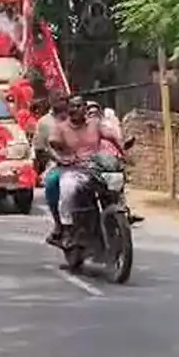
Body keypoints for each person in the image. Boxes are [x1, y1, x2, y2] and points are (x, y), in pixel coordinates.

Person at [46, 96, 121, 248]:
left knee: (115, 182)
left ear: (85, 109)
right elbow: (50, 146)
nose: (75, 110)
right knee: (68, 188)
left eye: (78, 106)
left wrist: (123, 150)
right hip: (73, 169)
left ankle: (119, 213)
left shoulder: (95, 124)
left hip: (95, 167)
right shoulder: (61, 128)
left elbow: (112, 136)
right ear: (68, 110)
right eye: (72, 107)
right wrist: (61, 159)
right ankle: (67, 228)